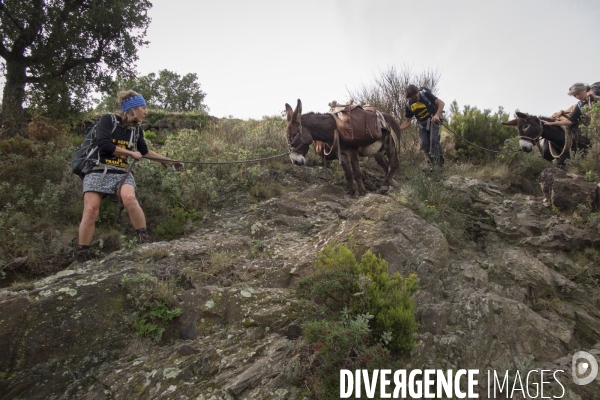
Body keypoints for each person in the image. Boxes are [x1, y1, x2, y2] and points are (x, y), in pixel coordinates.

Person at [75, 90, 183, 262]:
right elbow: (104, 145)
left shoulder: (136, 129)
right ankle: (83, 253)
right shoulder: (108, 120)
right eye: (143, 108)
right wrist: (130, 153)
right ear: (132, 109)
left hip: (121, 171)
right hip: (97, 169)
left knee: (130, 198)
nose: (145, 112)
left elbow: (145, 151)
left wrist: (170, 161)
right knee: (90, 210)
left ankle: (143, 238)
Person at [399, 85, 446, 171]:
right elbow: (407, 122)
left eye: (416, 93)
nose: (416, 96)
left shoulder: (425, 94)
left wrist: (437, 115)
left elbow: (441, 103)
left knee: (434, 141)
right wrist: (397, 128)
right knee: (424, 143)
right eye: (413, 96)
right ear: (409, 97)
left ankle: (439, 165)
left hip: (433, 120)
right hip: (422, 124)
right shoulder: (409, 105)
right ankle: (432, 165)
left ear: (417, 91)